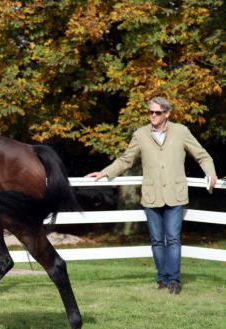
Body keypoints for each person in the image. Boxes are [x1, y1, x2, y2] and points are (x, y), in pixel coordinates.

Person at [85, 97, 217, 294]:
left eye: (157, 112)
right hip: (151, 194)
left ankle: (174, 280)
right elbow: (126, 160)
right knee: (156, 240)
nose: (153, 116)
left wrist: (210, 172)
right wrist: (105, 172)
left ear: (167, 114)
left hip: (175, 193)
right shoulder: (140, 134)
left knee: (172, 238)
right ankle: (162, 279)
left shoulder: (181, 131)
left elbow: (202, 155)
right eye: (150, 112)